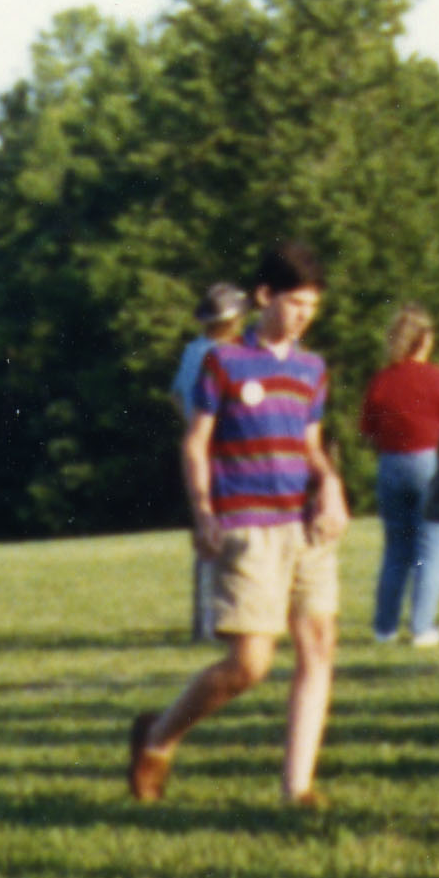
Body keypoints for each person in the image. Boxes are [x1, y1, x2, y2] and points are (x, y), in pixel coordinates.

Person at [129, 238, 347, 809]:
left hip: (305, 526)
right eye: (295, 303)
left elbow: (311, 445)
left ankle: (297, 788)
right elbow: (196, 443)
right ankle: (158, 738)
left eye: (312, 307)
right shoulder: (222, 362)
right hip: (247, 526)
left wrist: (330, 484)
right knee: (250, 663)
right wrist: (202, 511)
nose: (303, 316)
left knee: (318, 645)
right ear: (265, 296)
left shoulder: (312, 369)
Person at [359, 305, 439, 648]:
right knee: (430, 550)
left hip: (391, 464)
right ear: (425, 339)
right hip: (430, 462)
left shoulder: (382, 379)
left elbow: (367, 427)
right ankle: (421, 627)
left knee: (396, 550)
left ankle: (384, 627)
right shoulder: (438, 379)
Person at [172, 275, 251, 642]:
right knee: (226, 533)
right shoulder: (224, 356)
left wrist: (191, 425)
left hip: (200, 444)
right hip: (224, 448)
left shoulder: (192, 351)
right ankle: (219, 620)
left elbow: (177, 396)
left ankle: (206, 620)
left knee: (207, 531)